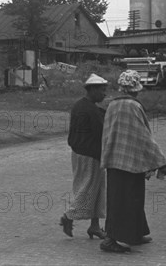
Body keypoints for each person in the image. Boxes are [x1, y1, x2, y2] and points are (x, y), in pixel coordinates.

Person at [99, 70, 166, 253]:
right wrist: (160, 160)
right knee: (126, 200)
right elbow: (143, 135)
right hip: (131, 159)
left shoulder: (112, 105)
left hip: (115, 158)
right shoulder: (132, 106)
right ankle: (110, 239)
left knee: (129, 199)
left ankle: (136, 233)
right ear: (135, 89)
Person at [60, 73, 109, 240]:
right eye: (102, 90)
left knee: (98, 190)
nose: (104, 94)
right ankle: (68, 216)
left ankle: (94, 226)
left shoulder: (81, 106)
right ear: (93, 89)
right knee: (87, 189)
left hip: (81, 152)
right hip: (89, 155)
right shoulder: (90, 110)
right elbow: (101, 132)